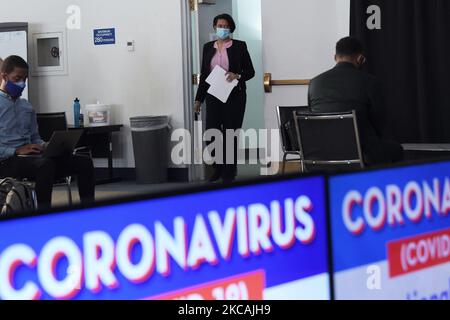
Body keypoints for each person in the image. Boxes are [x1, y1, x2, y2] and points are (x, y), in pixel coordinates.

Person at [0, 55, 95, 210]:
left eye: (25, 79)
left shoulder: (26, 107)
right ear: (4, 76)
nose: (22, 84)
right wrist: (16, 150)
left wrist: (46, 146)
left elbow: (35, 137)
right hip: (7, 161)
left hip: (33, 159)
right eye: (17, 78)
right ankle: (44, 215)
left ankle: (89, 211)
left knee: (83, 162)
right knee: (45, 165)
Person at [308, 37, 403, 165]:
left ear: (335, 57)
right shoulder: (370, 82)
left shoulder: (314, 83)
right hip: (361, 154)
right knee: (397, 149)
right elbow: (379, 121)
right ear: (360, 58)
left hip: (321, 153)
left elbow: (312, 115)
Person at [194, 14, 255, 183]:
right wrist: (198, 99)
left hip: (234, 96)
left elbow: (250, 72)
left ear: (231, 28)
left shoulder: (240, 46)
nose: (222, 28)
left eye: (226, 26)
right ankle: (219, 167)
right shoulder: (208, 47)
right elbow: (204, 75)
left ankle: (228, 173)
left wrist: (237, 75)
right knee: (211, 133)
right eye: (219, 25)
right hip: (213, 95)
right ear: (214, 27)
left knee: (230, 134)